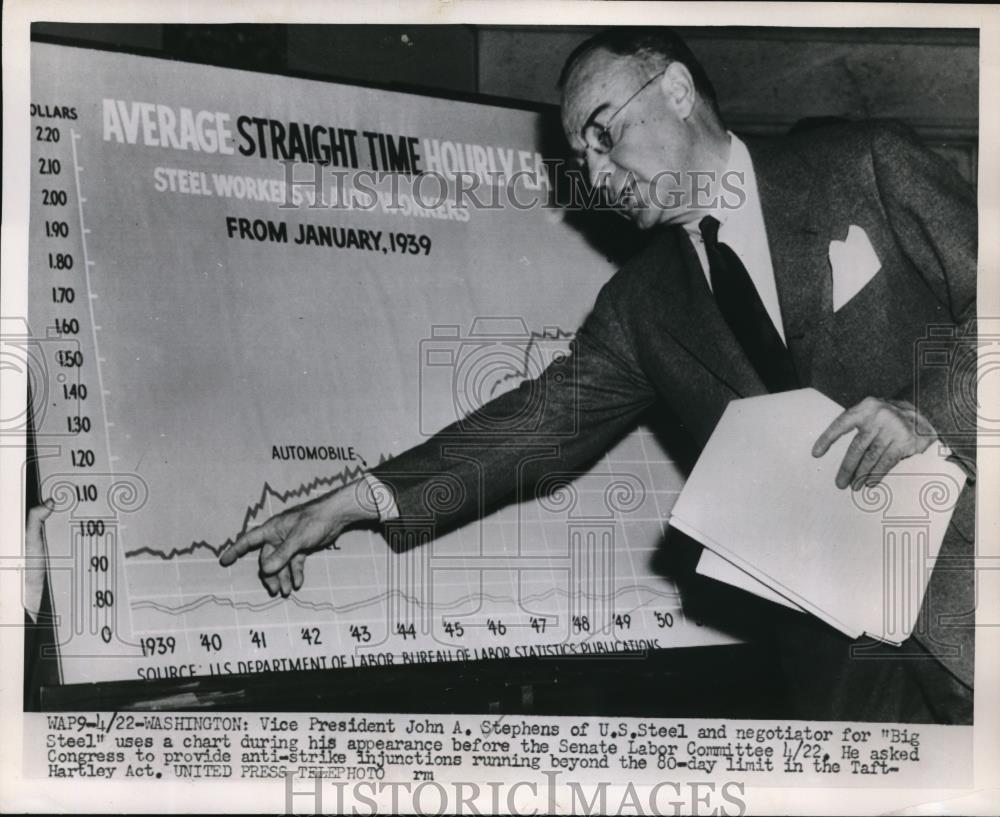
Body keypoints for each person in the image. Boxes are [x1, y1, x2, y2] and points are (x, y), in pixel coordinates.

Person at [219, 28, 976, 723]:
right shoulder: (642, 305)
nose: (597, 172)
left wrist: (928, 412)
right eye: (581, 157)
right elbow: (536, 422)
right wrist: (353, 500)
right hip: (839, 666)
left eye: (604, 133)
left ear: (676, 91)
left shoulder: (867, 166)